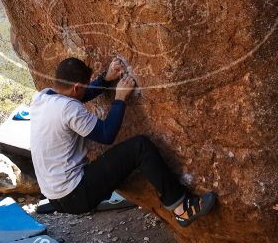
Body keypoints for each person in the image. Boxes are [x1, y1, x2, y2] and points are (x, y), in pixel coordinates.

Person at [30, 57, 217, 225]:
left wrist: (105, 80)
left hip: (55, 195)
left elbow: (78, 96)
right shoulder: (68, 109)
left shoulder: (42, 97)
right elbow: (106, 135)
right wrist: (119, 98)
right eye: (84, 87)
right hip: (75, 194)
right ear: (76, 87)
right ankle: (181, 208)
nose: (85, 91)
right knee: (140, 147)